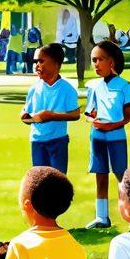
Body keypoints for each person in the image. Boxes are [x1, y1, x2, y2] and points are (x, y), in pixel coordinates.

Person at [85, 41, 130, 229]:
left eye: (101, 59)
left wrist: (113, 125)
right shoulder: (94, 86)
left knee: (121, 175)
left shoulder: (124, 87)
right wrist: (93, 121)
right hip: (97, 136)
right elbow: (90, 112)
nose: (96, 64)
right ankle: (102, 216)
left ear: (112, 61)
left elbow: (129, 115)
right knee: (100, 174)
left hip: (116, 136)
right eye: (93, 60)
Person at [21, 43, 80, 175]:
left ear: (56, 64)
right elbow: (26, 111)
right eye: (35, 61)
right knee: (40, 180)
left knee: (58, 180)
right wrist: (26, 116)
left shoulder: (67, 89)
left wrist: (51, 116)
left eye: (41, 61)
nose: (37, 65)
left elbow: (75, 114)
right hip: (37, 141)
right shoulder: (34, 89)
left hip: (58, 141)